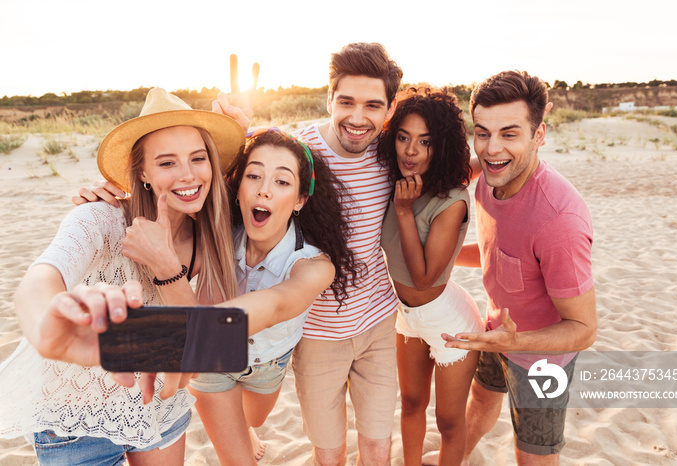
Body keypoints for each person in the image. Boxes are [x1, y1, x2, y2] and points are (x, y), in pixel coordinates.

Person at [0, 87, 243, 465]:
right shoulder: (99, 217)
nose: (188, 174)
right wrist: (46, 324)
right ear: (142, 172)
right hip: (79, 417)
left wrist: (166, 267)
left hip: (158, 402)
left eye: (198, 158)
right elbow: (41, 277)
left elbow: (201, 347)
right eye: (167, 163)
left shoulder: (209, 236)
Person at [120, 128, 361, 465]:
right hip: (212, 363)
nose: (264, 189)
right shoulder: (217, 232)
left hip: (268, 364)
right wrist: (109, 196)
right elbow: (175, 190)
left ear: (299, 200)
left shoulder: (314, 266)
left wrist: (168, 272)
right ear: (238, 190)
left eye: (282, 182)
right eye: (254, 175)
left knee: (253, 419)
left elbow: (274, 304)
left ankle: (243, 425)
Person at [427, 70, 597, 466]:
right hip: (497, 331)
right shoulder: (490, 171)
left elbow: (584, 330)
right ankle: (460, 456)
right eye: (482, 132)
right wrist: (432, 262)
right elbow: (495, 253)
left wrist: (515, 343)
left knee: (532, 454)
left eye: (509, 133)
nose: (490, 149)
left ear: (539, 135)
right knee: (481, 401)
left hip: (541, 356)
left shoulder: (559, 222)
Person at [285, 42, 404, 466]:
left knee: (376, 447)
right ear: (328, 99)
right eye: (346, 102)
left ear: (389, 108)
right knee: (330, 453)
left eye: (373, 105)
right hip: (316, 334)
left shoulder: (394, 153)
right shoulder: (297, 153)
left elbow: (456, 167)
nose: (358, 118)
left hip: (378, 324)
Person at [377, 87, 484, 465]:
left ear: (440, 146)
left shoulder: (450, 201)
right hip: (407, 316)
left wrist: (404, 212)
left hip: (449, 322)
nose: (411, 151)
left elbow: (422, 279)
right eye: (403, 137)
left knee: (449, 422)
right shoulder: (393, 179)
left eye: (425, 142)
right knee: (410, 404)